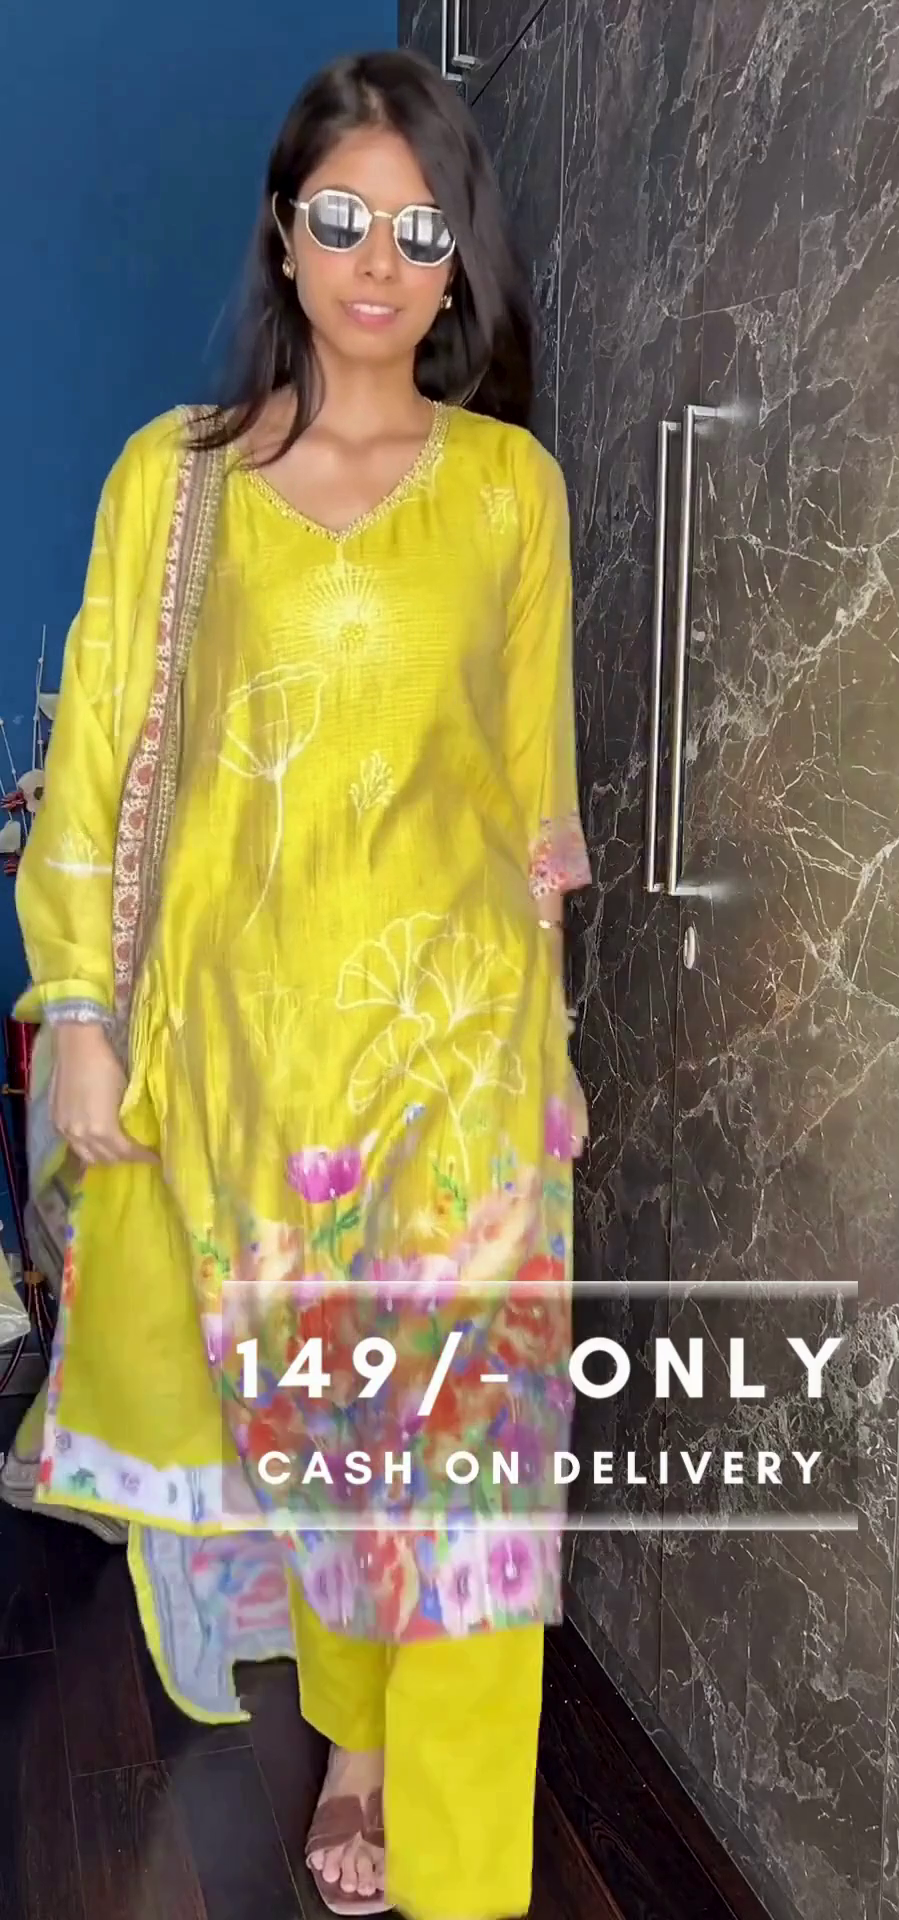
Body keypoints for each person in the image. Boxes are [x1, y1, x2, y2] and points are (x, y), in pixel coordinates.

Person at [13, 49, 590, 1920]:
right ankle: (354, 1740)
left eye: (420, 231)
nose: (378, 263)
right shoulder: (175, 483)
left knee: (477, 1491)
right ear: (285, 231)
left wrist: (552, 1051)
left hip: (467, 1064)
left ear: (457, 261)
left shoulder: (508, 491)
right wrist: (80, 1013)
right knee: (336, 1458)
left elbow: (533, 803)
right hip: (260, 1073)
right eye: (343, 218)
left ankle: (468, 1878)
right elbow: (100, 760)